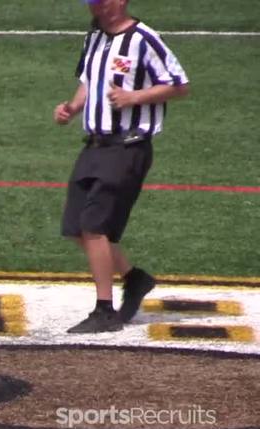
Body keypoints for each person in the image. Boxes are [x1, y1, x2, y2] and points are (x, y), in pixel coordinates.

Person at [53, 0, 189, 333]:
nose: (98, 8)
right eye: (93, 3)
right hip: (94, 145)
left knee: (94, 226)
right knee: (76, 226)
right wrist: (72, 107)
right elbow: (89, 79)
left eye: (103, 1)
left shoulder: (144, 39)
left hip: (127, 146)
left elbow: (179, 84)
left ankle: (104, 310)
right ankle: (133, 278)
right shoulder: (95, 37)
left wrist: (134, 98)